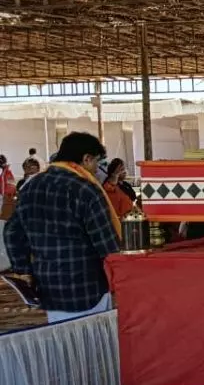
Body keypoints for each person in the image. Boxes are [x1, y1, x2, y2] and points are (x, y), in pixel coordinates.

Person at [3, 132, 121, 323]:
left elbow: (12, 233)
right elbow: (107, 244)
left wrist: (23, 270)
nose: (96, 169)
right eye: (96, 162)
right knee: (92, 338)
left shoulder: (31, 187)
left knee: (62, 335)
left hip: (49, 287)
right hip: (88, 288)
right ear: (86, 158)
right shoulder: (85, 189)